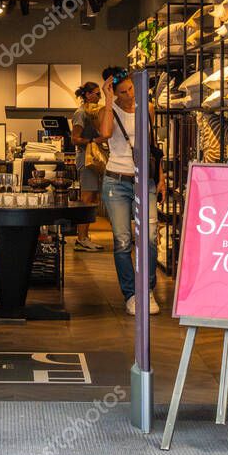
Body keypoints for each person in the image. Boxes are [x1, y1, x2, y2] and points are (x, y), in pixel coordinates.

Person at [97, 68, 165, 316]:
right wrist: (107, 102)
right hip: (116, 180)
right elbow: (104, 134)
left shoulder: (147, 108)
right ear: (113, 92)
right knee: (123, 241)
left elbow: (153, 146)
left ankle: (147, 290)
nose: (128, 95)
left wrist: (161, 176)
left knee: (149, 237)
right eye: (122, 91)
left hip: (144, 179)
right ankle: (131, 294)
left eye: (131, 88)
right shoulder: (108, 111)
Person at [71, 81, 106, 252]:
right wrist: (93, 141)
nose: (99, 97)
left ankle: (84, 237)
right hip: (86, 159)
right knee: (86, 199)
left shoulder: (93, 113)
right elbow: (75, 138)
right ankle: (81, 239)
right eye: (96, 94)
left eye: (100, 94)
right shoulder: (81, 114)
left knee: (92, 199)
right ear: (87, 95)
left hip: (93, 159)